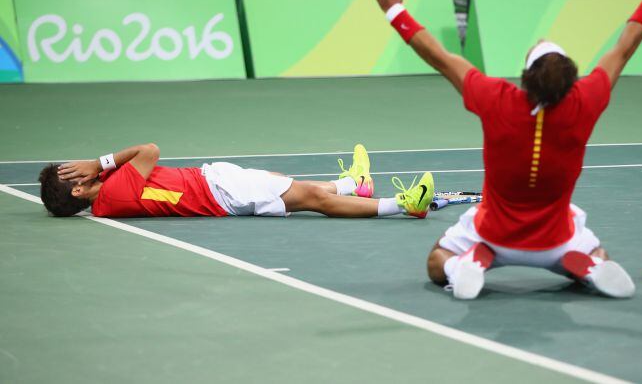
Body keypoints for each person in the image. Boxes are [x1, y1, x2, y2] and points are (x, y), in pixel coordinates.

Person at [375, 0, 642, 300]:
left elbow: (438, 56)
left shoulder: (495, 99)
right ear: (570, 81)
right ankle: (591, 266)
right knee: (595, 249)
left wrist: (394, 8)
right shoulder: (586, 100)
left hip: (492, 236)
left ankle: (461, 267)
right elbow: (625, 48)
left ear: (526, 76)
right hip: (556, 241)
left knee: (436, 261)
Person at [39, 143, 435, 220]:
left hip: (214, 182)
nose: (80, 166)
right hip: (219, 193)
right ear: (77, 188)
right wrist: (98, 161)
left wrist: (97, 166)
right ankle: (403, 205)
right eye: (71, 171)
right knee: (313, 198)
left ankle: (354, 186)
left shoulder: (108, 194)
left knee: (284, 182)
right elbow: (150, 150)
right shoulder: (112, 191)